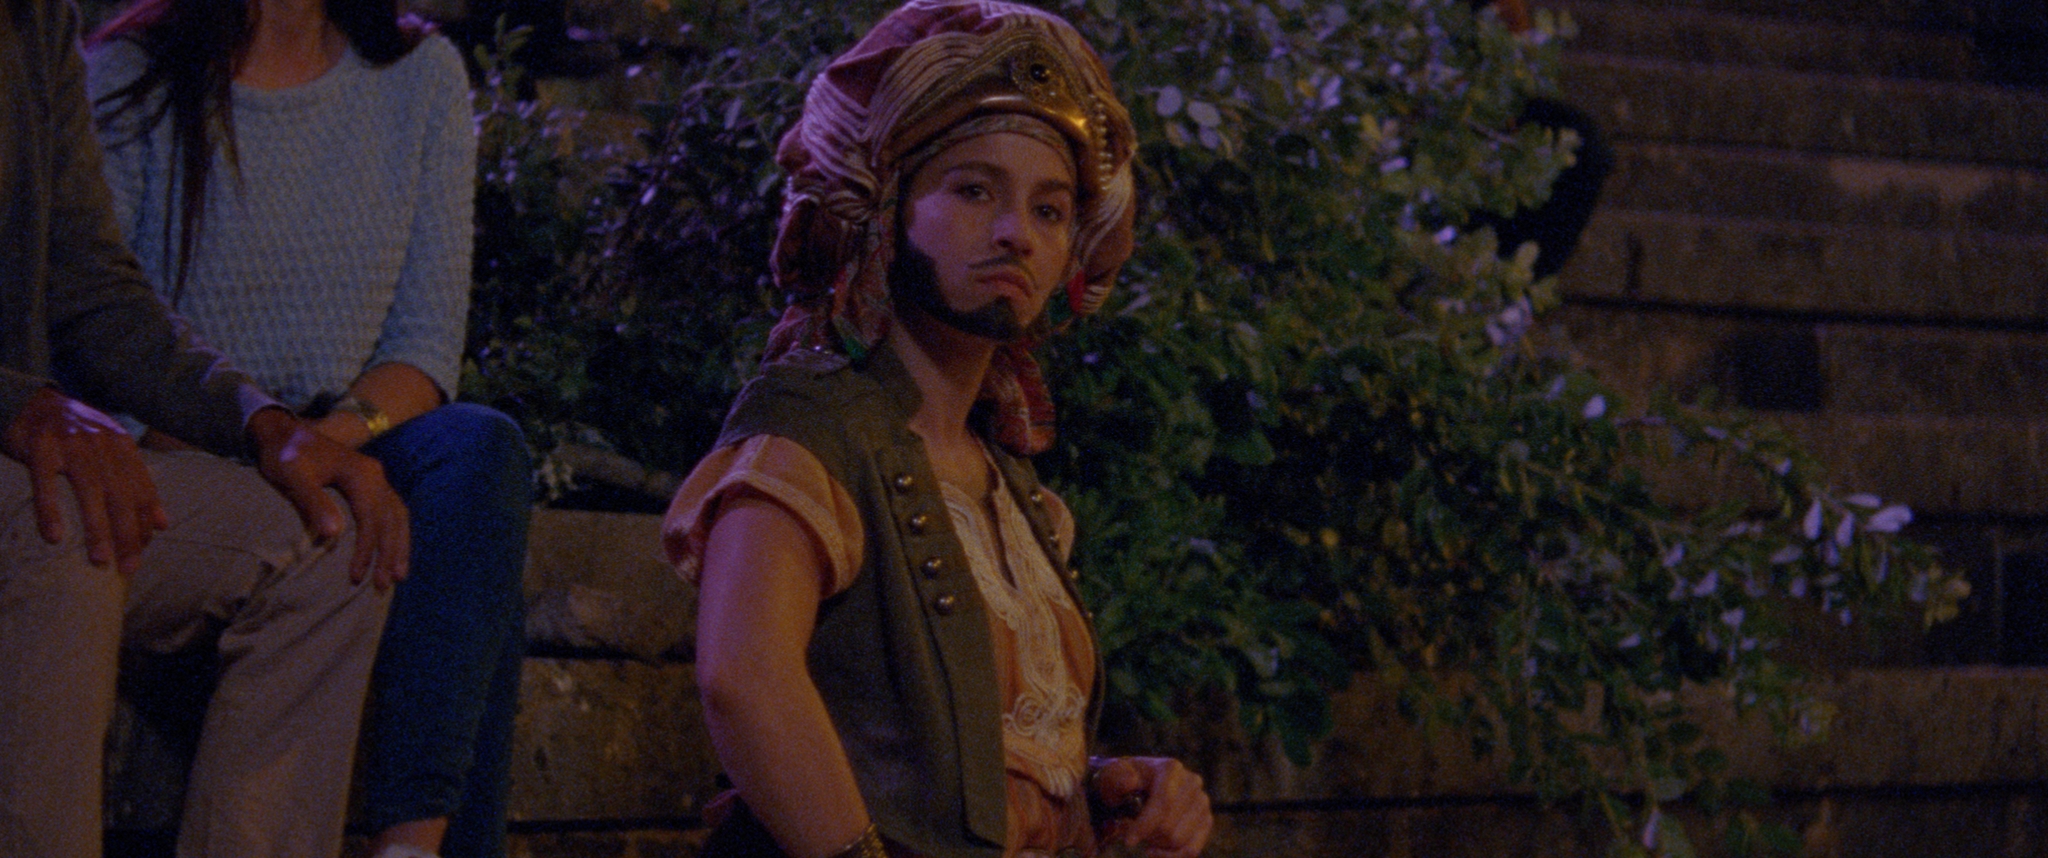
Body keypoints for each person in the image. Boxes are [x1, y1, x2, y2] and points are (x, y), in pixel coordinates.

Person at [662, 2, 1214, 856]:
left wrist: (1103, 785)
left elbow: (977, 748)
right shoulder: (810, 438)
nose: (1015, 234)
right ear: (888, 208)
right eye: (973, 190)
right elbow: (744, 678)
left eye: (1050, 210)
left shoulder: (1018, 495)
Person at [81, 0, 531, 854]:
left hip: (346, 431)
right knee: (479, 613)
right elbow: (100, 333)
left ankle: (409, 844)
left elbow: (423, 349)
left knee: (479, 454)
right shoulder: (135, 74)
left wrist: (319, 445)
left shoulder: (419, 75)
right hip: (185, 442)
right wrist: (257, 438)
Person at [0, 0, 409, 854]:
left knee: (330, 542)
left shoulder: (35, 21)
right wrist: (22, 405)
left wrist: (263, 423)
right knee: (69, 523)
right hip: (23, 471)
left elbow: (92, 290)